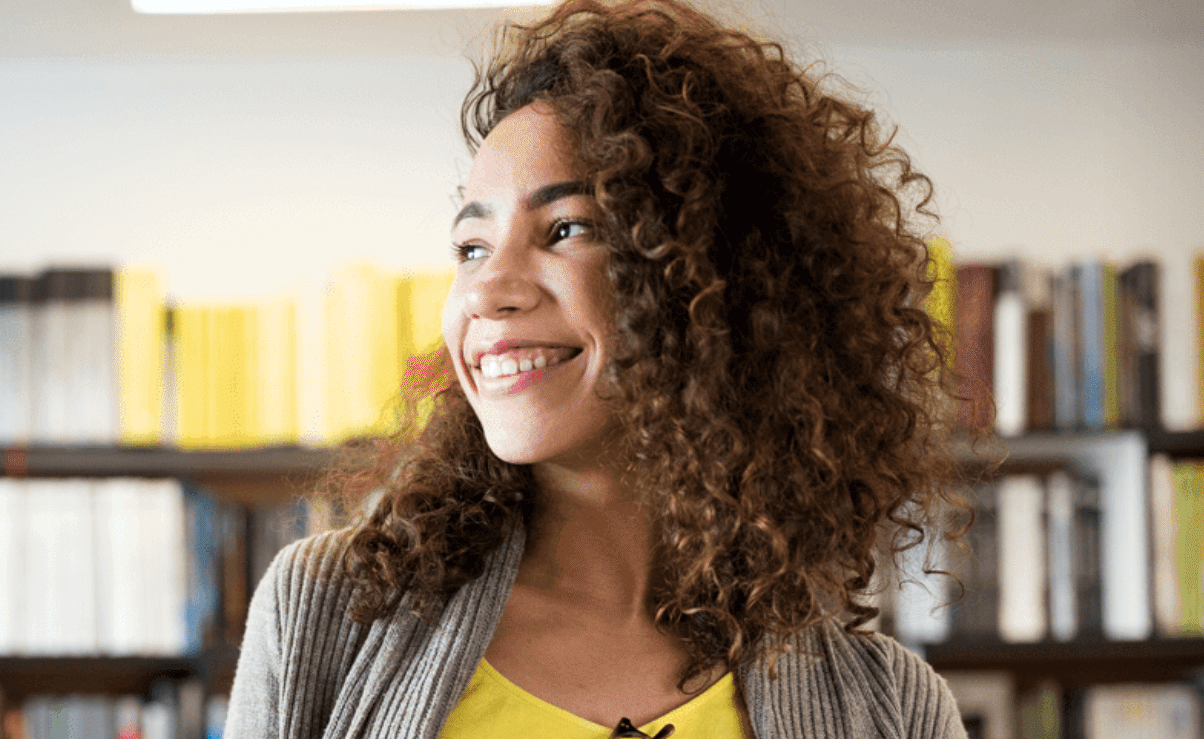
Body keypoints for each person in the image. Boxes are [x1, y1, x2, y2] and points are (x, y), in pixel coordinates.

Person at [228, 1, 969, 737]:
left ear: (717, 283)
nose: (484, 290)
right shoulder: (328, 608)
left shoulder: (893, 706)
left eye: (567, 229)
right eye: (471, 246)